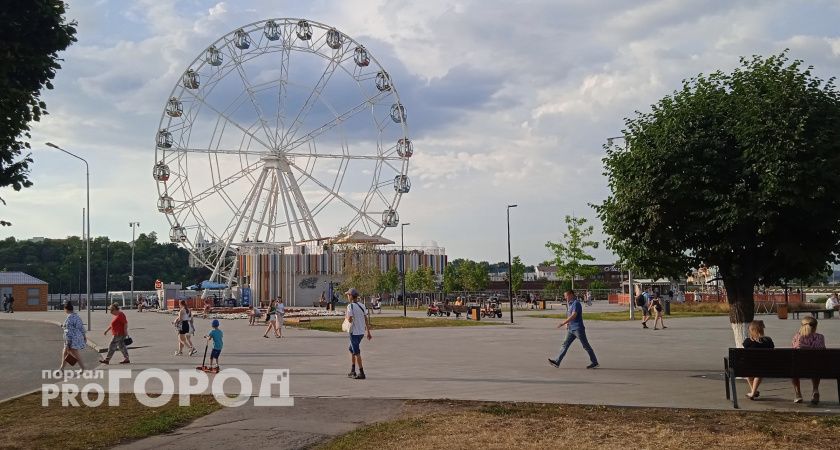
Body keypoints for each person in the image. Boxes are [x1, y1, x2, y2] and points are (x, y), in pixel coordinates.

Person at [548, 290, 599, 369]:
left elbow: (574, 315)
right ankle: (557, 362)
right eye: (565, 296)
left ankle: (594, 362)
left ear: (571, 295)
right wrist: (568, 324)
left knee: (586, 346)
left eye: (566, 296)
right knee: (565, 345)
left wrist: (563, 323)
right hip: (571, 329)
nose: (565, 298)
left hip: (578, 329)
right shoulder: (570, 304)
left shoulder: (576, 303)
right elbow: (569, 315)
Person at [791, 317, 826, 404]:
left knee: (793, 368)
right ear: (815, 327)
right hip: (815, 368)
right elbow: (823, 353)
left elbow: (794, 352)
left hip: (799, 368)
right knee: (817, 363)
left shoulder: (796, 337)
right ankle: (815, 389)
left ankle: (798, 394)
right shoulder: (820, 337)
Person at [742, 320, 774, 400]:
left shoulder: (747, 341)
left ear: (751, 330)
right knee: (758, 371)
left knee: (750, 372)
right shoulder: (768, 341)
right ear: (762, 330)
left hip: (751, 366)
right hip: (766, 366)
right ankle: (754, 391)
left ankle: (753, 393)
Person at [345, 288, 372, 379]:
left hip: (354, 332)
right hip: (361, 332)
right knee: (351, 349)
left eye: (348, 295)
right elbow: (365, 319)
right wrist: (368, 332)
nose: (347, 297)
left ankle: (362, 373)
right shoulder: (362, 305)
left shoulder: (350, 306)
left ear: (351, 296)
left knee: (356, 352)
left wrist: (347, 316)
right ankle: (353, 370)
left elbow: (350, 319)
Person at [60, 302, 87, 371]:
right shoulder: (77, 316)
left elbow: (68, 331)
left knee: (74, 353)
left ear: (66, 309)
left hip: (71, 339)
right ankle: (62, 368)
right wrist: (84, 336)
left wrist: (68, 342)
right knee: (65, 352)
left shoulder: (69, 318)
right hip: (77, 337)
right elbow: (81, 327)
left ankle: (82, 368)